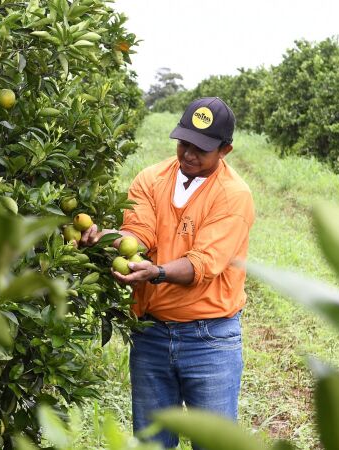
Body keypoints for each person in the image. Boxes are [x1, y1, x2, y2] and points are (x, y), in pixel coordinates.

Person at [79, 97, 254, 449]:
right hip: (152, 334)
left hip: (210, 340)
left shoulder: (234, 196)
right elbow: (137, 234)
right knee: (152, 443)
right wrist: (104, 237)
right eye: (184, 143)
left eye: (200, 148)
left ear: (225, 150)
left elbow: (202, 264)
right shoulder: (150, 179)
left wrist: (156, 272)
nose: (188, 153)